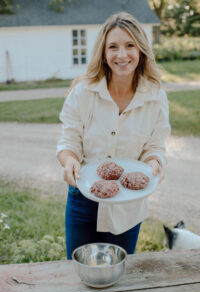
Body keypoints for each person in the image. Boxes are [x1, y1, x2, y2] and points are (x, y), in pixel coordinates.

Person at [57, 12, 171, 259]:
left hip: (128, 206)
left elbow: (155, 146)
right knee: (79, 271)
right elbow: (69, 141)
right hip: (83, 199)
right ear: (103, 52)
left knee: (120, 274)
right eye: (113, 47)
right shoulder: (83, 92)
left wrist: (154, 163)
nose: (121, 54)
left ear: (141, 50)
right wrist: (69, 161)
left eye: (130, 45)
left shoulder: (155, 96)